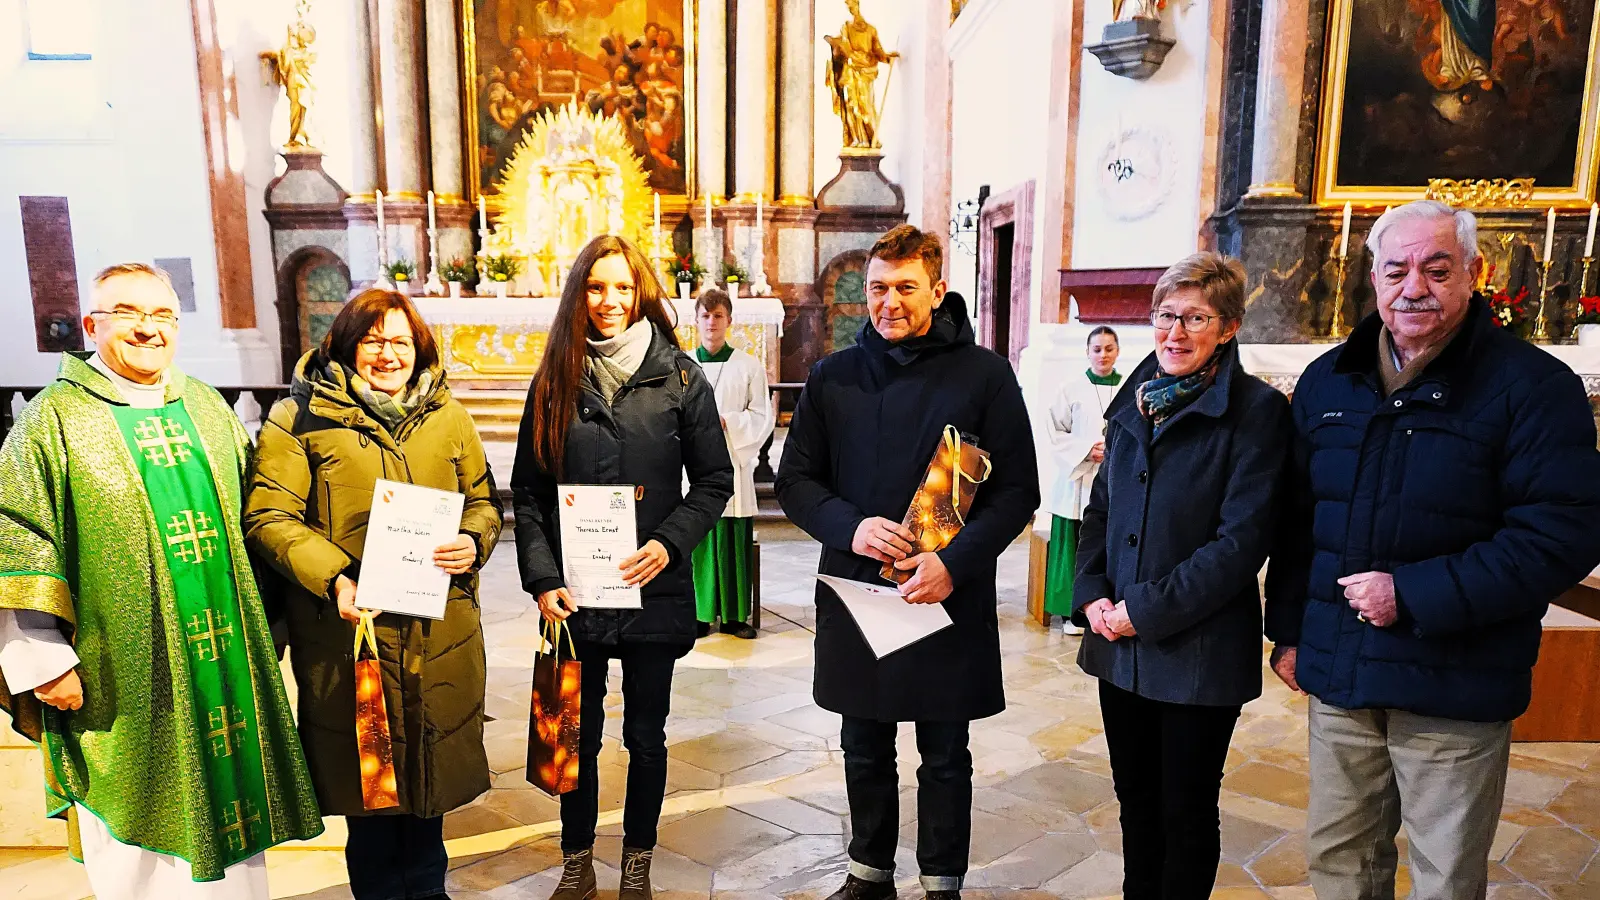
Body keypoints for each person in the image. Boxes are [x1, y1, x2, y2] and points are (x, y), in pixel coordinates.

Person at [1265, 200, 1600, 900]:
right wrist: (1290, 632)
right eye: (1396, 271)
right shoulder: (1329, 380)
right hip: (1343, 673)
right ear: (1374, 279)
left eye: (1437, 269)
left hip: (1455, 677)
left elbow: (1561, 534)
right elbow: (1299, 522)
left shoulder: (1534, 387)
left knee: (1444, 877)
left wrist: (1411, 595)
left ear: (1474, 273)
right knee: (1339, 860)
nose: (1414, 286)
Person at [0, 263, 324, 899]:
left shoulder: (205, 405)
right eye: (128, 314)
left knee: (234, 834)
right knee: (136, 841)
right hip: (117, 674)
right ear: (92, 325)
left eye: (162, 316)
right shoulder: (52, 421)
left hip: (223, 661)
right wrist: (42, 660)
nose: (149, 329)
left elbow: (257, 516)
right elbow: (17, 536)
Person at [776, 225, 1039, 900]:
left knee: (945, 754)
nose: (888, 302)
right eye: (877, 289)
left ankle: (942, 883)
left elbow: (1017, 491)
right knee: (863, 744)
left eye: (905, 288)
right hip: (858, 588)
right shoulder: (834, 377)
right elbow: (795, 481)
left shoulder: (984, 375)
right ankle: (869, 875)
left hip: (945, 592)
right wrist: (852, 527)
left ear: (937, 290)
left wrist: (956, 563)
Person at [244, 289, 504, 900]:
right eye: (373, 340)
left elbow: (483, 500)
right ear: (345, 344)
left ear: (420, 350)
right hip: (350, 633)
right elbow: (269, 516)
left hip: (438, 633)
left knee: (428, 795)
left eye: (401, 342)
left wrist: (473, 539)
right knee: (372, 797)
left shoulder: (448, 416)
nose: (388, 354)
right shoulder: (300, 418)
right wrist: (335, 576)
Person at [511, 235, 733, 900]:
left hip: (651, 589)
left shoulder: (680, 377)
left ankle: (637, 859)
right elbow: (528, 492)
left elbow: (714, 480)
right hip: (575, 597)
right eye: (596, 287)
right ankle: (576, 859)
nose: (609, 300)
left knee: (646, 736)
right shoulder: (554, 379)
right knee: (573, 735)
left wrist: (669, 542)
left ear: (641, 293)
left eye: (622, 287)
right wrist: (542, 578)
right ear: (579, 294)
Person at [1072, 252, 1291, 899]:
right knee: (1135, 801)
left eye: (1196, 318)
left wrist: (1142, 610)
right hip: (1118, 644)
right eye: (1166, 315)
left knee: (1185, 809)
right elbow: (1101, 509)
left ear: (1228, 328)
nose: (1175, 332)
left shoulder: (1256, 412)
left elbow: (1240, 543)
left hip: (1197, 651)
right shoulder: (1134, 399)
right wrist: (1091, 593)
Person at [689, 287, 775, 640]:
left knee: (733, 537)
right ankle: (699, 614)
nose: (712, 322)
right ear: (696, 321)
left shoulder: (748, 366)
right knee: (697, 535)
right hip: (692, 467)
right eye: (706, 316)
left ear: (729, 321)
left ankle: (735, 616)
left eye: (718, 316)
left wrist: (730, 422)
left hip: (732, 463)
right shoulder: (682, 365)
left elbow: (763, 415)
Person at [1043, 325, 1124, 637]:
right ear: (1087, 352)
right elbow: (1054, 431)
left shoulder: (1130, 389)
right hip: (1077, 480)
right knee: (1072, 546)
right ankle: (1071, 613)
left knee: (1106, 545)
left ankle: (1105, 609)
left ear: (1117, 351)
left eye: (1108, 349)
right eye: (1097, 349)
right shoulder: (1071, 389)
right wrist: (1086, 450)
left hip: (1114, 480)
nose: (1102, 355)